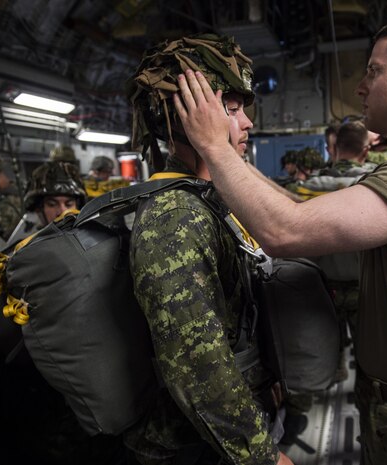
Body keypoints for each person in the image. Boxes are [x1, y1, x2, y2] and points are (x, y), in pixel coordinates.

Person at [173, 15, 387, 465]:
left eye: (374, 70)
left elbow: (285, 230)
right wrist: (234, 160)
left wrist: (215, 147)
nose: (360, 86)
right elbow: (294, 205)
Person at [125, 34, 293, 465]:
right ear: (185, 120)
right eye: (232, 110)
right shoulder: (174, 217)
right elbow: (197, 365)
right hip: (195, 445)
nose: (248, 123)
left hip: (233, 424)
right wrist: (262, 457)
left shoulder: (211, 197)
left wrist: (264, 375)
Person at [7, 161, 87, 245]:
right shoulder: (24, 248)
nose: (63, 212)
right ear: (38, 209)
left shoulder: (90, 240)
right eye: (52, 204)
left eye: (69, 204)